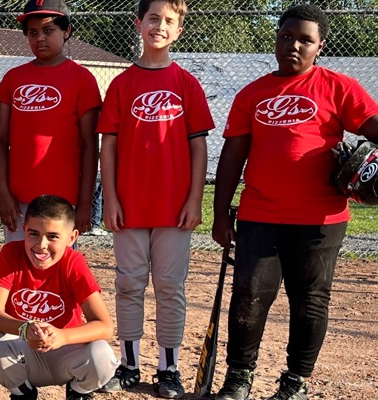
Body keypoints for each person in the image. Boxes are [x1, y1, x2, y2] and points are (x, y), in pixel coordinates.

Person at [211, 5, 378, 400]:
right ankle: (239, 377)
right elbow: (233, 156)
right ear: (276, 39)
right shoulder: (252, 93)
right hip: (261, 213)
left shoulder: (338, 87)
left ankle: (295, 383)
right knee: (250, 294)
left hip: (321, 218)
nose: (294, 45)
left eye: (305, 39)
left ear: (320, 46)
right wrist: (220, 215)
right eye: (286, 36)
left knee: (310, 301)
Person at [96, 0, 214, 397]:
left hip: (174, 207)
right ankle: (129, 364)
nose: (159, 26)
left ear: (178, 30)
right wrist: (110, 198)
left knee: (169, 287)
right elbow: (108, 146)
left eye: (168, 21)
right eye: (152, 18)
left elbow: (198, 147)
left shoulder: (186, 83)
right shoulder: (122, 84)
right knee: (128, 284)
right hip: (129, 206)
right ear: (138, 24)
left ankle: (168, 368)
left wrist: (194, 199)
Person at [0, 194, 119, 400]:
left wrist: (63, 336)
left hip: (65, 350)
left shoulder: (73, 262)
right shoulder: (11, 253)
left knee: (102, 354)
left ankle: (78, 392)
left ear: (72, 238)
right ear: (24, 230)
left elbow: (105, 326)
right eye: (33, 234)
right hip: (25, 349)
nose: (41, 244)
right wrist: (25, 329)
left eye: (53, 236)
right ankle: (23, 392)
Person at [0, 0, 101, 242]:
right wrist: (3, 195)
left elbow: (90, 145)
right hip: (19, 200)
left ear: (66, 30)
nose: (40, 37)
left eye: (48, 30)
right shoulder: (13, 78)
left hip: (63, 200)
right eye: (33, 32)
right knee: (19, 262)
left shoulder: (82, 79)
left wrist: (85, 202)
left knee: (56, 261)